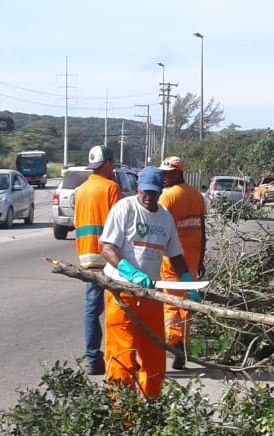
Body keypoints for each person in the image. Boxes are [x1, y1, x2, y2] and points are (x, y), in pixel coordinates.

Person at [100, 166, 197, 398]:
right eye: (145, 191)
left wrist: (187, 281)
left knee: (154, 356)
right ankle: (122, 415)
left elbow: (175, 255)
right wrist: (130, 273)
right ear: (137, 188)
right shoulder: (125, 208)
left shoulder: (164, 216)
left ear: (161, 191)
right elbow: (107, 247)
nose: (148, 196)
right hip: (121, 293)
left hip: (151, 294)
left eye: (153, 192)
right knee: (122, 355)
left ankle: (151, 408)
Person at [74, 144, 122, 375]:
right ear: (108, 163)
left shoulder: (81, 190)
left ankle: (93, 360)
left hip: (87, 257)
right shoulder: (111, 188)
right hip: (109, 257)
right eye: (112, 164)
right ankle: (119, 356)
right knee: (119, 309)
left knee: (92, 310)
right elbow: (119, 225)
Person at [157, 156, 207, 371]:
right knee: (187, 304)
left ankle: (175, 345)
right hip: (192, 258)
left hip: (172, 259)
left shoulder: (167, 197)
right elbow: (203, 229)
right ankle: (183, 345)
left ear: (177, 173)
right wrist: (202, 257)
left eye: (167, 173)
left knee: (171, 303)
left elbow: (159, 230)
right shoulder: (197, 196)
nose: (163, 177)